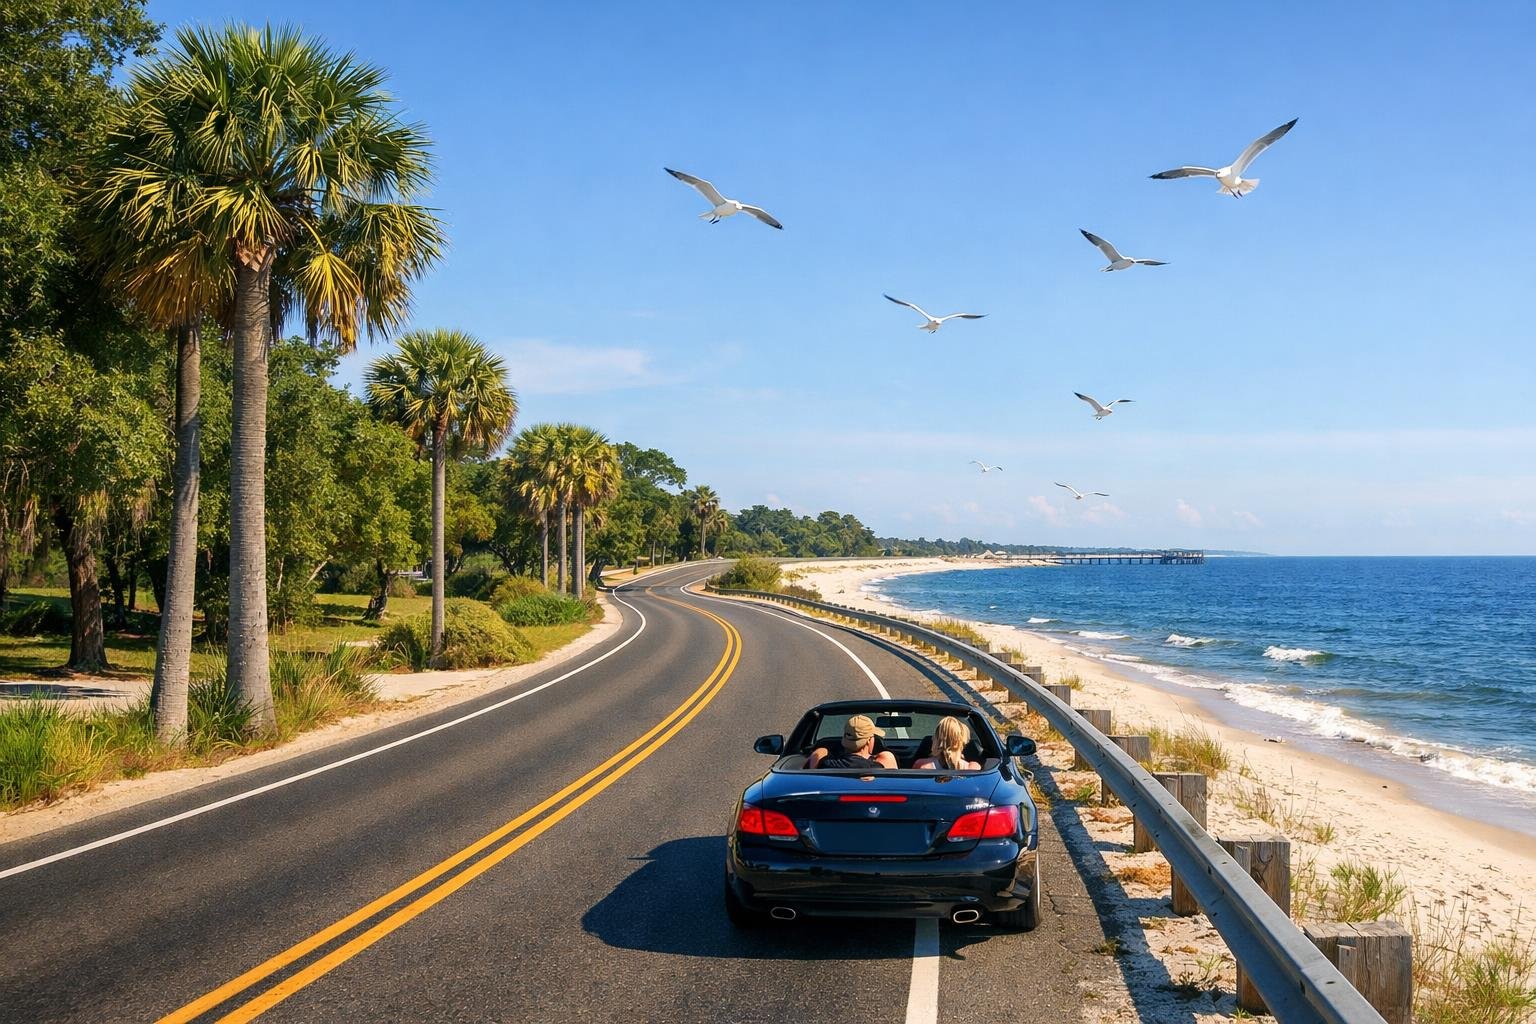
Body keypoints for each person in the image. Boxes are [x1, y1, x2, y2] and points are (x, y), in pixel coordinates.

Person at [807, 714, 898, 770]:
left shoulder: (826, 764)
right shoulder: (880, 766)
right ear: (869, 741)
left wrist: (821, 751)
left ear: (844, 738)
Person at [914, 716, 980, 771]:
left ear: (937, 741)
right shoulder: (974, 768)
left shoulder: (922, 765)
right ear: (962, 742)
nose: (932, 739)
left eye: (934, 736)